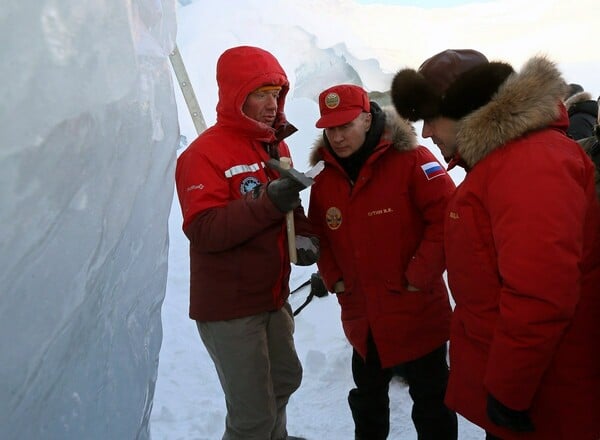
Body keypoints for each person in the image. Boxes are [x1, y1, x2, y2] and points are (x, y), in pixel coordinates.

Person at [391, 49, 600, 439]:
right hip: (530, 383)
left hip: (544, 396)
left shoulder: (530, 164)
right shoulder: (505, 160)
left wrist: (509, 391)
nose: (426, 133)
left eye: (431, 119)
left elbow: (541, 295)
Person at [175, 45, 318, 440]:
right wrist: (267, 203)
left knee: (284, 381)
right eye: (261, 93)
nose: (272, 104)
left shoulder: (276, 146)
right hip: (230, 308)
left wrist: (304, 233)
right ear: (236, 95)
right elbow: (204, 229)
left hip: (272, 296)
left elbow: (289, 204)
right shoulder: (202, 154)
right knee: (251, 415)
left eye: (277, 93)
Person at [307, 84, 458, 439]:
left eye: (346, 126)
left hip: (416, 311)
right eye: (330, 129)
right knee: (367, 405)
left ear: (367, 117)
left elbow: (448, 217)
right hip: (363, 318)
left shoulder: (412, 160)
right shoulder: (325, 178)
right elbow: (320, 236)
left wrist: (420, 274)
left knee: (433, 403)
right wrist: (333, 277)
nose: (338, 137)